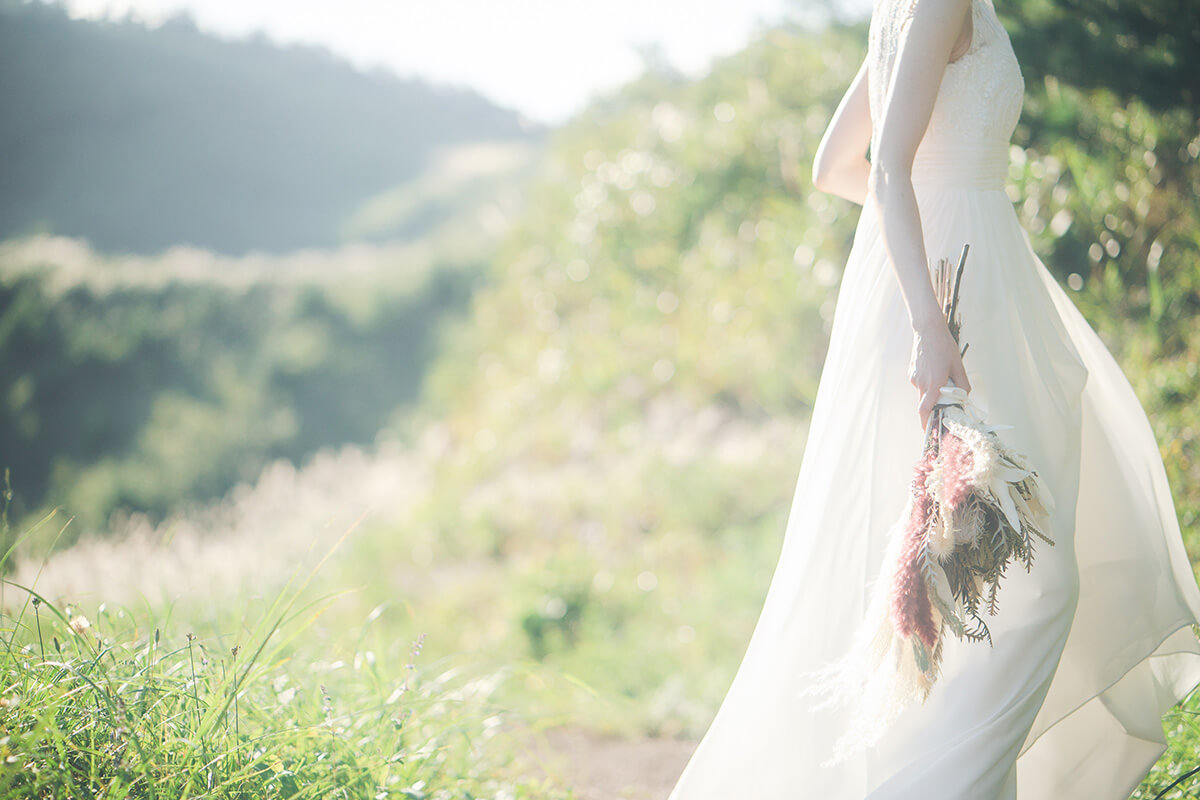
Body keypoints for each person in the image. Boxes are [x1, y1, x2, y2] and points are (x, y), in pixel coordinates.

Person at [665, 0, 1200, 796]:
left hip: (974, 281)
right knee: (1026, 578)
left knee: (969, 571)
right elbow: (879, 168)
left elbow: (833, 167)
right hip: (948, 304)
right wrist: (929, 306)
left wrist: (945, 220)